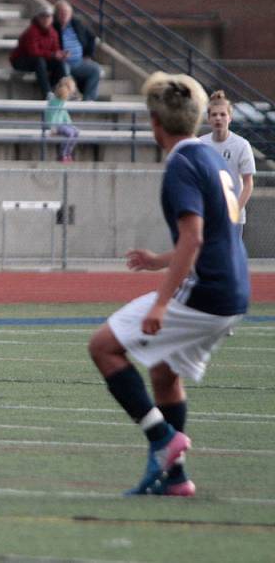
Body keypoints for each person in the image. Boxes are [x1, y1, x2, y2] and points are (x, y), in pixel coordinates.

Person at [87, 72, 249, 497]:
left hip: (207, 292)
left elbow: (194, 237)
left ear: (154, 123)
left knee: (103, 346)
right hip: (233, 291)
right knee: (163, 372)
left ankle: (163, 440)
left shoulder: (180, 163)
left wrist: (160, 303)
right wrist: (158, 260)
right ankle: (175, 478)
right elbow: (212, 233)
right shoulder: (212, 157)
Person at [199, 90, 255, 237]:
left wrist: (234, 211)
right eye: (214, 115)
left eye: (223, 114)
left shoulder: (241, 145)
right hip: (208, 215)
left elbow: (248, 183)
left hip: (233, 218)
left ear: (230, 118)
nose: (218, 118)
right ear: (209, 118)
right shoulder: (200, 144)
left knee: (230, 258)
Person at [9, 6, 67, 99]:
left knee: (59, 63)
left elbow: (55, 49)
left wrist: (60, 54)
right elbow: (33, 52)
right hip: (21, 60)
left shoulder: (53, 33)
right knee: (39, 61)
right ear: (38, 18)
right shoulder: (32, 31)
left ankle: (60, 91)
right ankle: (47, 93)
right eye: (43, 16)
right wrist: (52, 54)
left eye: (48, 17)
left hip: (41, 60)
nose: (46, 19)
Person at [53, 0, 101, 101]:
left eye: (66, 12)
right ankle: (71, 96)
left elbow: (92, 37)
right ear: (56, 14)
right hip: (62, 63)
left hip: (79, 62)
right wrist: (58, 54)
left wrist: (88, 55)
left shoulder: (77, 24)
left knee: (95, 69)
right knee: (64, 68)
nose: (64, 15)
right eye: (61, 12)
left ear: (71, 14)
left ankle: (88, 100)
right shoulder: (53, 27)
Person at [46, 76, 80, 162]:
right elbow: (51, 114)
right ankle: (62, 155)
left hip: (62, 124)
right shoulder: (54, 101)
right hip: (56, 125)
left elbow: (65, 114)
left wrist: (70, 124)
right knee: (70, 133)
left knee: (76, 132)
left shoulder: (62, 101)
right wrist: (52, 128)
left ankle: (68, 153)